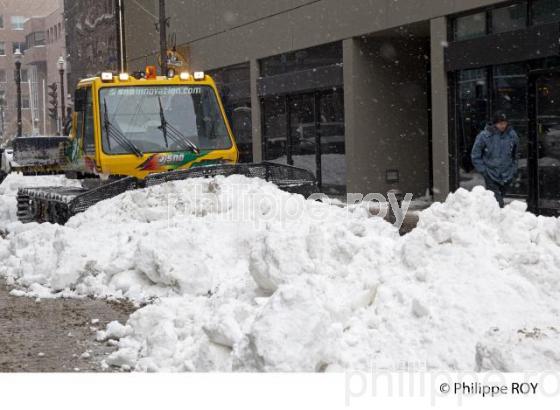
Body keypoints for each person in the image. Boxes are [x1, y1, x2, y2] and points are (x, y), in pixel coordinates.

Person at [471, 111, 519, 208]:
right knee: (498, 202)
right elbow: (475, 155)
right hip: (490, 173)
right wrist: (483, 171)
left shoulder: (512, 135)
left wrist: (513, 169)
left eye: (505, 123)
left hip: (507, 174)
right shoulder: (484, 136)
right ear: (495, 123)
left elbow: (515, 154)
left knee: (499, 197)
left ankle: (494, 217)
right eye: (500, 123)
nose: (503, 126)